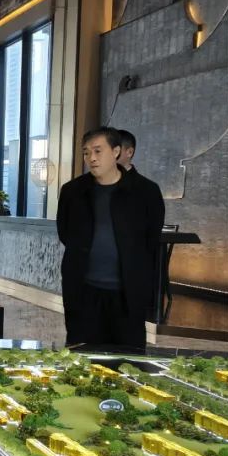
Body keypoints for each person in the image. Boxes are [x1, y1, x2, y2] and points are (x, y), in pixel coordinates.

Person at [57, 126, 164, 349]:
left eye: (98, 151)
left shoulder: (146, 192)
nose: (91, 158)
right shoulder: (72, 191)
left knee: (127, 358)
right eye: (86, 152)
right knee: (81, 355)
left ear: (116, 152)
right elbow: (65, 233)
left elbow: (151, 240)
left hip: (127, 295)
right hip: (84, 292)